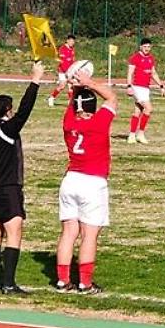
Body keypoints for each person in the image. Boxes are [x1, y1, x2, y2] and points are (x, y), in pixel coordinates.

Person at [0, 61, 45, 294]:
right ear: (8, 110)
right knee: (14, 230)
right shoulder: (4, 129)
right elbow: (25, 111)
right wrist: (35, 80)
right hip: (7, 188)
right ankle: (8, 283)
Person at [55, 72, 117, 294]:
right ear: (93, 108)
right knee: (89, 235)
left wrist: (74, 89)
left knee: (68, 233)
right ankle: (85, 283)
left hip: (71, 180)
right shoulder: (99, 122)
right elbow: (112, 97)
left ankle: (63, 281)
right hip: (93, 183)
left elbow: (73, 106)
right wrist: (89, 82)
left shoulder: (68, 122)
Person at [125, 38, 165, 144]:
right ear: (140, 47)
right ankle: (141, 133)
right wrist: (129, 86)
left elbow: (153, 73)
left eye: (148, 47)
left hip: (146, 88)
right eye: (145, 46)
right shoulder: (135, 57)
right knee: (148, 108)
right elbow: (130, 73)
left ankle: (132, 135)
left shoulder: (151, 58)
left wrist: (161, 85)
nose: (147, 49)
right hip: (137, 87)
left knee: (138, 111)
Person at [48, 34, 76, 107]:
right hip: (63, 71)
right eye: (71, 41)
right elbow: (62, 62)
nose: (72, 43)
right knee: (62, 86)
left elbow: (73, 60)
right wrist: (66, 72)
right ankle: (51, 97)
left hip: (70, 71)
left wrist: (74, 69)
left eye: (73, 41)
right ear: (67, 41)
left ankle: (71, 102)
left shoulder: (72, 49)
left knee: (71, 86)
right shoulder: (62, 49)